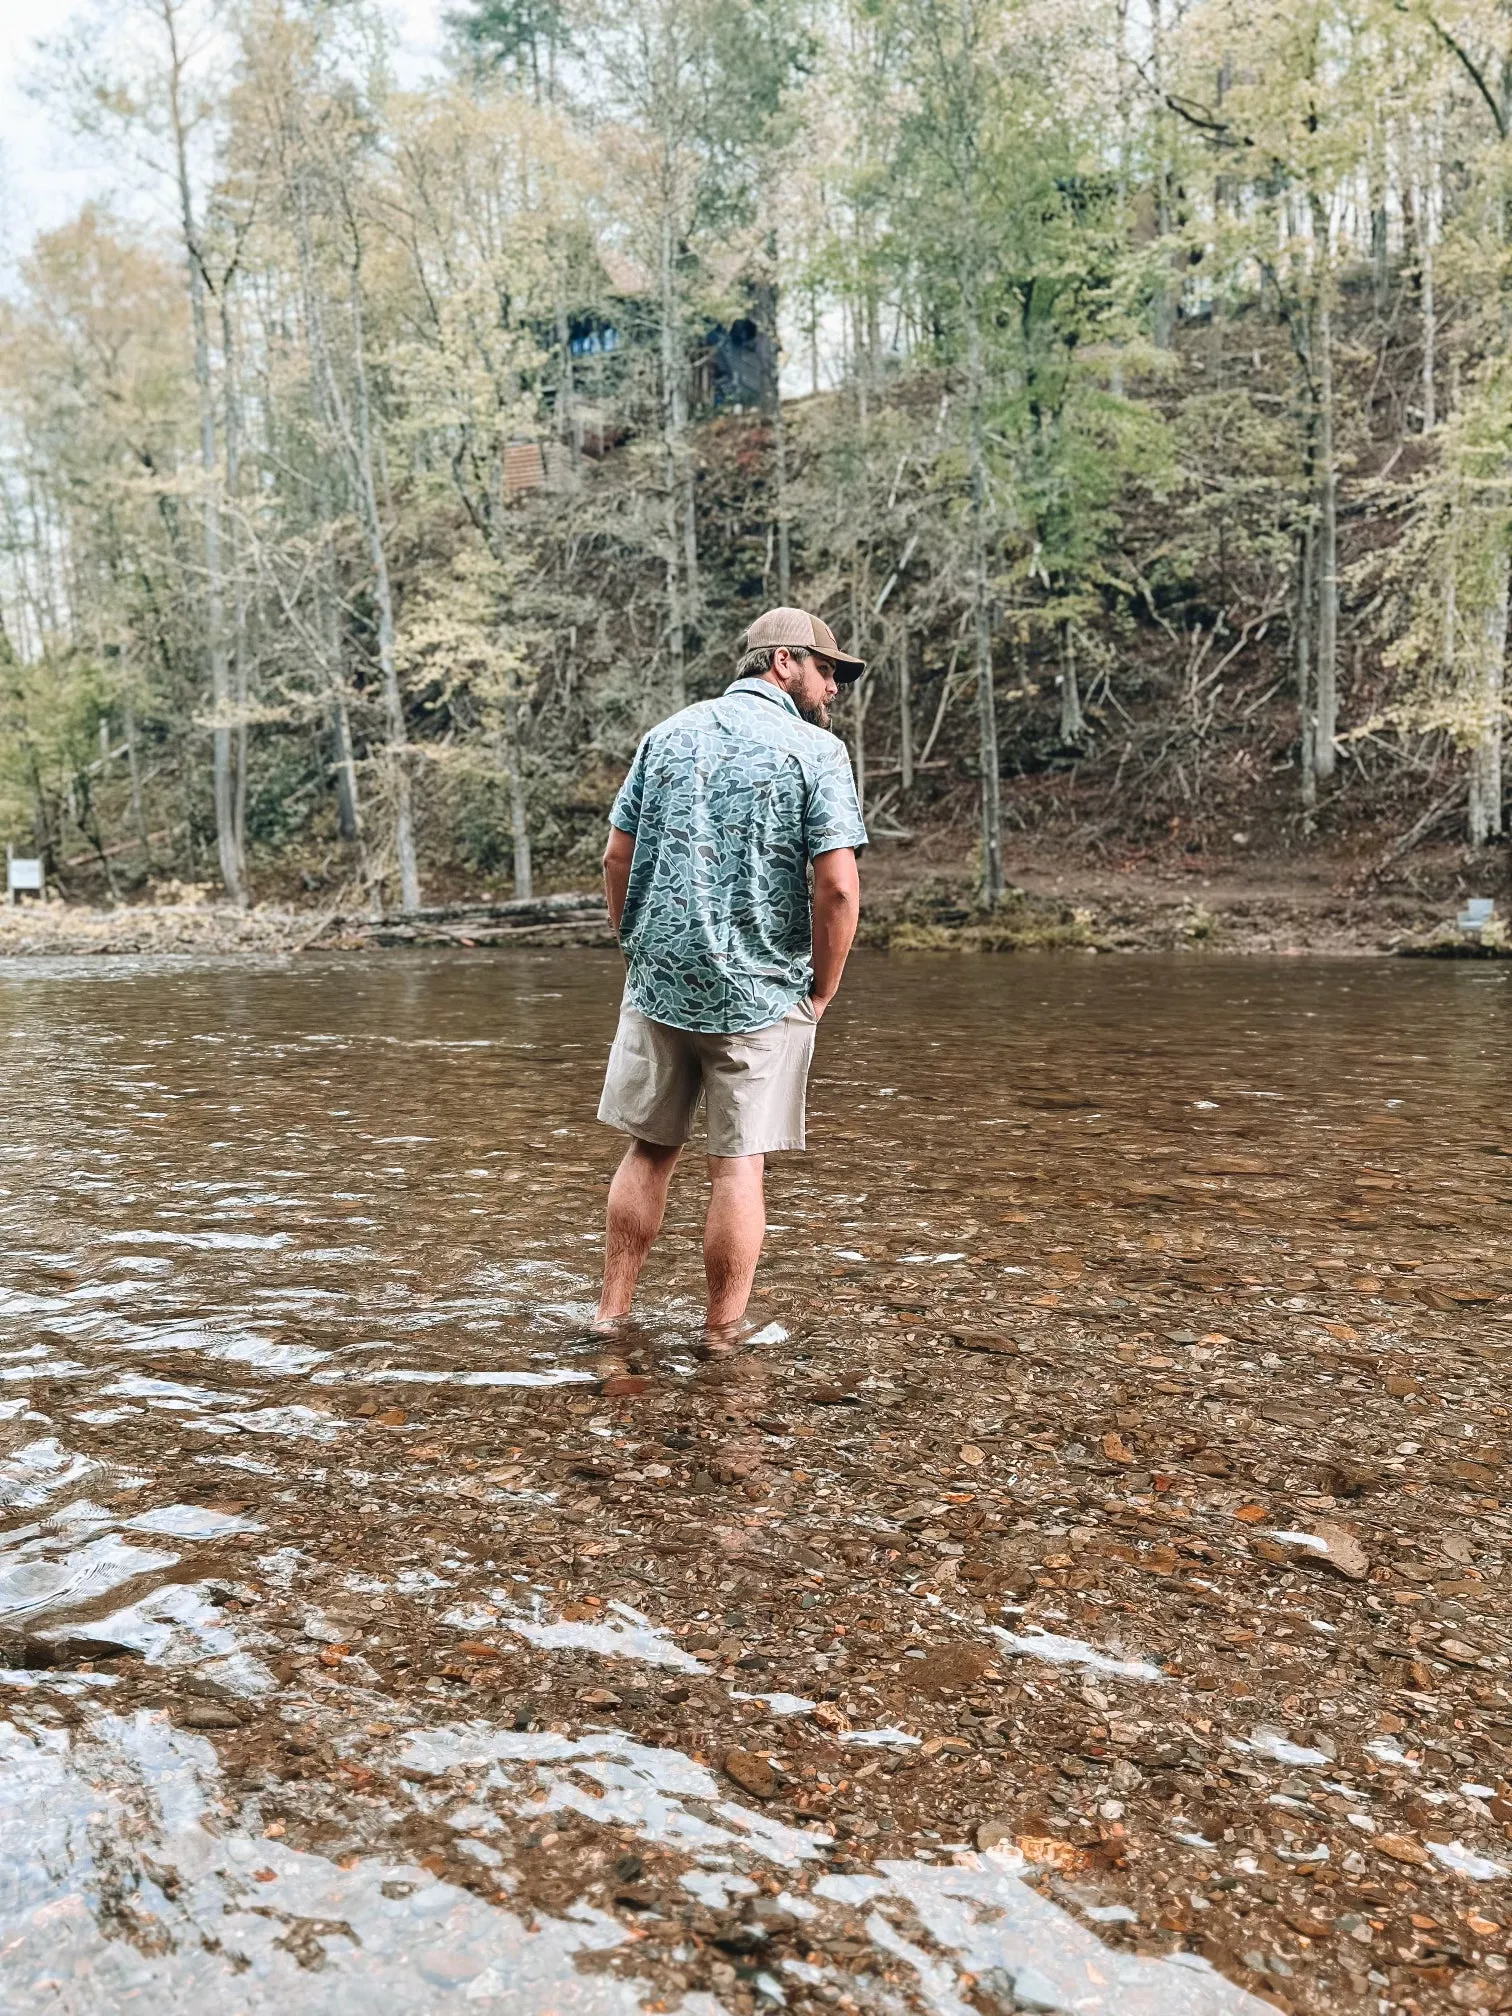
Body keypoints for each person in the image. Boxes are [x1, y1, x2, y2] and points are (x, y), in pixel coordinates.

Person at [595, 606, 868, 1334]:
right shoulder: (816, 754)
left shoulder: (666, 735)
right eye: (828, 669)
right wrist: (822, 988)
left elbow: (616, 858)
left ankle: (610, 1315)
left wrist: (637, 945)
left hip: (660, 983)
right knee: (738, 1167)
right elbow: (838, 887)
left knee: (649, 1151)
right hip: (760, 992)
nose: (835, 687)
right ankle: (720, 1339)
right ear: (783, 662)